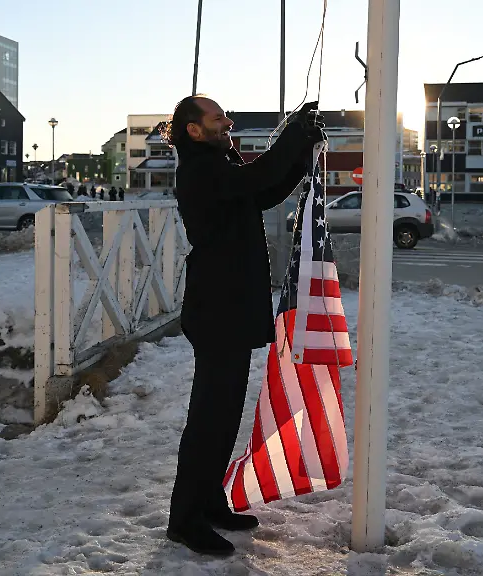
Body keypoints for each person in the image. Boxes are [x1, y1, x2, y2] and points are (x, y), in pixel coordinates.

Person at [164, 95, 325, 557]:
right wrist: (295, 131)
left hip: (228, 309)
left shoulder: (218, 163)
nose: (228, 122)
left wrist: (300, 153)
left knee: (224, 416)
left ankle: (210, 501)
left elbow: (264, 191)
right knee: (208, 422)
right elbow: (256, 178)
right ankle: (184, 519)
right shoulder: (200, 169)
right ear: (195, 130)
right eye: (218, 118)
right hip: (217, 312)